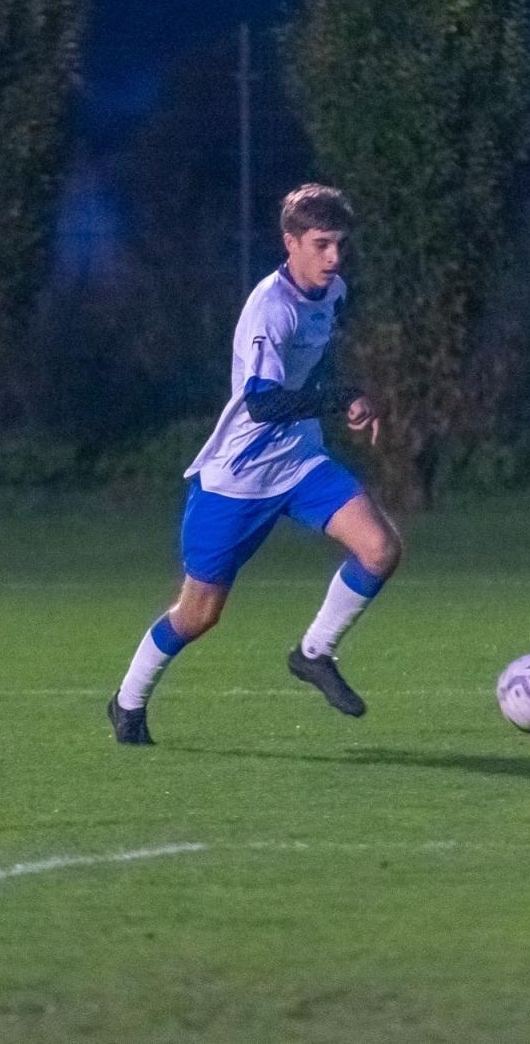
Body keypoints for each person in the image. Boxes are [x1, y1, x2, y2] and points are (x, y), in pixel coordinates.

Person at [107, 183, 401, 745]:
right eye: (321, 244)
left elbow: (319, 358)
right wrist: (342, 398)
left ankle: (314, 653)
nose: (334, 257)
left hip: (299, 462)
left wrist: (346, 397)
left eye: (340, 244)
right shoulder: (271, 307)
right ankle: (127, 703)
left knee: (380, 548)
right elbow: (263, 403)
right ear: (290, 242)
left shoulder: (332, 292)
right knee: (198, 615)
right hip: (237, 476)